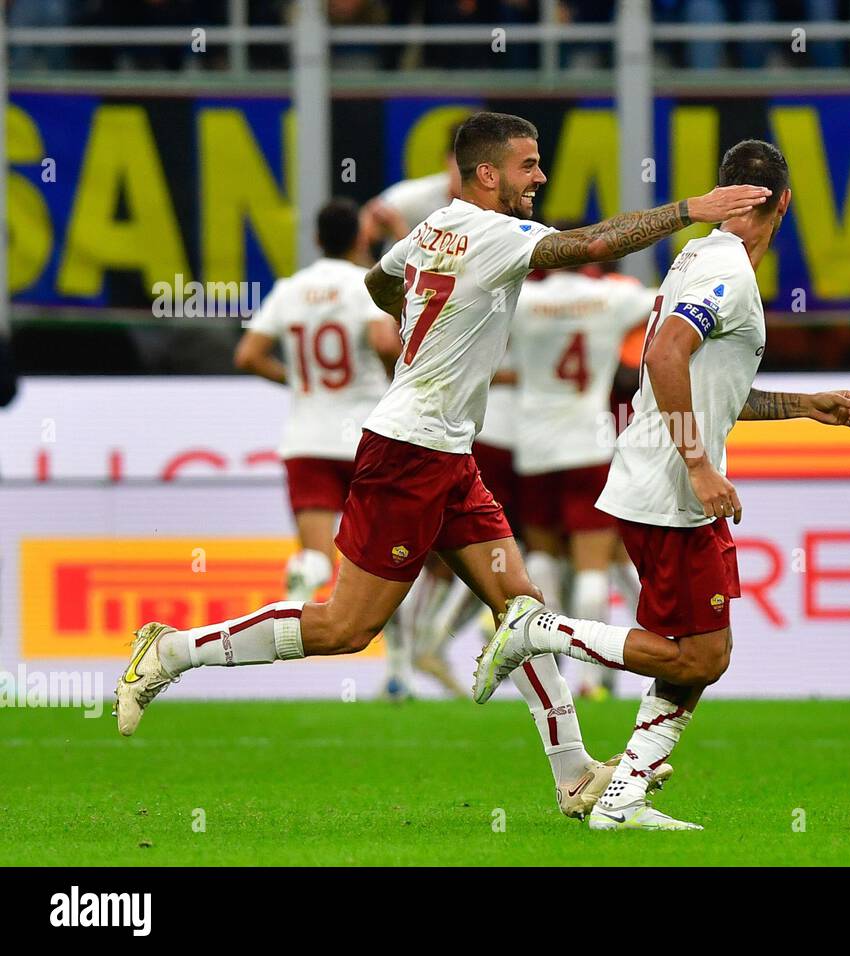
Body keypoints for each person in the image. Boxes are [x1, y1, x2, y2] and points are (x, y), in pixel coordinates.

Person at [115, 111, 770, 819]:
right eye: (528, 165)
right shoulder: (495, 234)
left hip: (444, 452)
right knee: (344, 627)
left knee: (520, 606)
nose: (540, 177)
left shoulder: (431, 229)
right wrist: (687, 212)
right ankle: (174, 651)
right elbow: (590, 242)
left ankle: (575, 772)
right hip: (410, 452)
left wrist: (419, 337)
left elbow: (378, 280)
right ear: (487, 174)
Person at [472, 139, 850, 830]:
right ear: (786, 203)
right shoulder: (729, 273)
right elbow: (663, 354)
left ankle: (624, 796)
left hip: (661, 481)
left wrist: (803, 406)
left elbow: (709, 384)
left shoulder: (699, 257)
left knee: (697, 653)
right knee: (702, 654)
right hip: (669, 489)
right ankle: (540, 631)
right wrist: (697, 463)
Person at [233, 198, 401, 604]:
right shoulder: (364, 285)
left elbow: (248, 356)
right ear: (360, 237)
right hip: (366, 437)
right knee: (387, 558)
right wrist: (396, 380)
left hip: (306, 440)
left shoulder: (290, 289)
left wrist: (297, 379)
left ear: (316, 239)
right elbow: (383, 341)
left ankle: (294, 604)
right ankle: (397, 664)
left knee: (316, 559)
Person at [510, 258, 658, 698]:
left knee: (542, 560)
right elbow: (670, 301)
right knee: (594, 564)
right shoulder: (610, 297)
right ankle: (591, 677)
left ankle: (549, 670)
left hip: (533, 446)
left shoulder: (524, 299)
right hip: (590, 443)